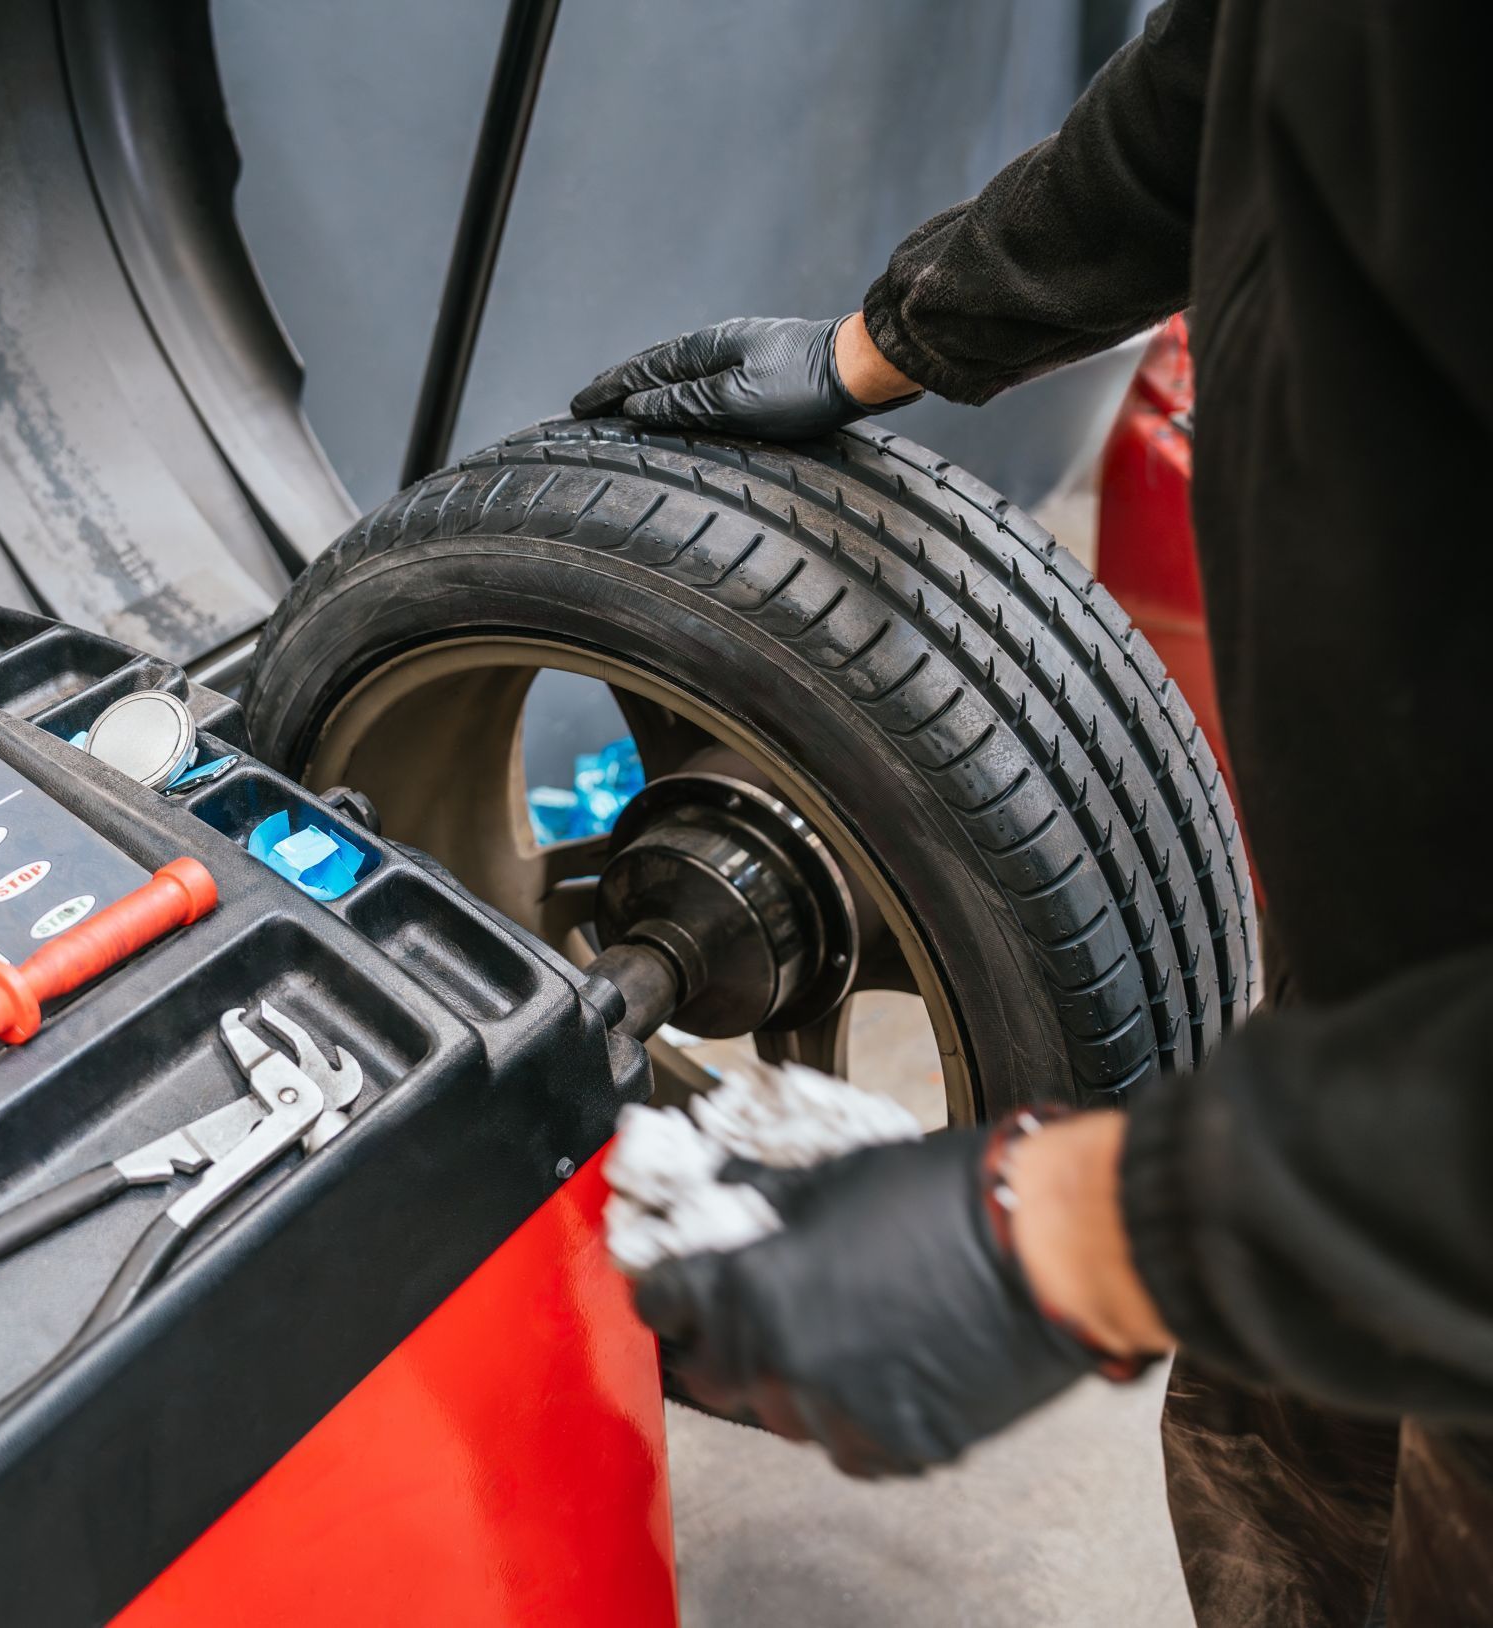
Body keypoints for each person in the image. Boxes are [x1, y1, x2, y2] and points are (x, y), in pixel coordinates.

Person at [569, 2, 1493, 1623]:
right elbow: (1246, 69)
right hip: (1366, 1067)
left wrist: (1085, 1231)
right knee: (1284, 1490)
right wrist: (895, 338)